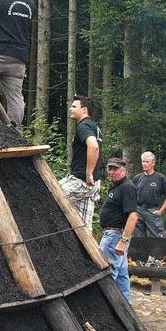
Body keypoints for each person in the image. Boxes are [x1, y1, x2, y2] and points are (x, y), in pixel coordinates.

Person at [59, 95, 103, 231]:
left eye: (74, 106)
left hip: (81, 181)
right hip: (93, 184)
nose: (70, 109)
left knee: (50, 194)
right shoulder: (94, 127)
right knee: (84, 228)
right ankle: (88, 252)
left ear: (84, 110)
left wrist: (89, 173)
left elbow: (94, 147)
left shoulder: (83, 126)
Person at [99, 157, 138, 303]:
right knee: (122, 276)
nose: (112, 172)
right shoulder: (118, 187)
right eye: (110, 168)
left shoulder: (127, 187)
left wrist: (123, 241)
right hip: (114, 235)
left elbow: (133, 216)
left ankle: (103, 308)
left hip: (115, 236)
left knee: (106, 274)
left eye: (115, 169)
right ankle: (128, 310)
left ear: (124, 170)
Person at [132, 151, 166, 237]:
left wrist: (161, 211)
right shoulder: (137, 178)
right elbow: (132, 196)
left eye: (147, 161)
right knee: (137, 239)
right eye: (143, 161)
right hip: (138, 210)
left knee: (160, 237)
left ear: (153, 163)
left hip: (152, 211)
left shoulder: (160, 178)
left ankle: (160, 251)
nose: (145, 164)